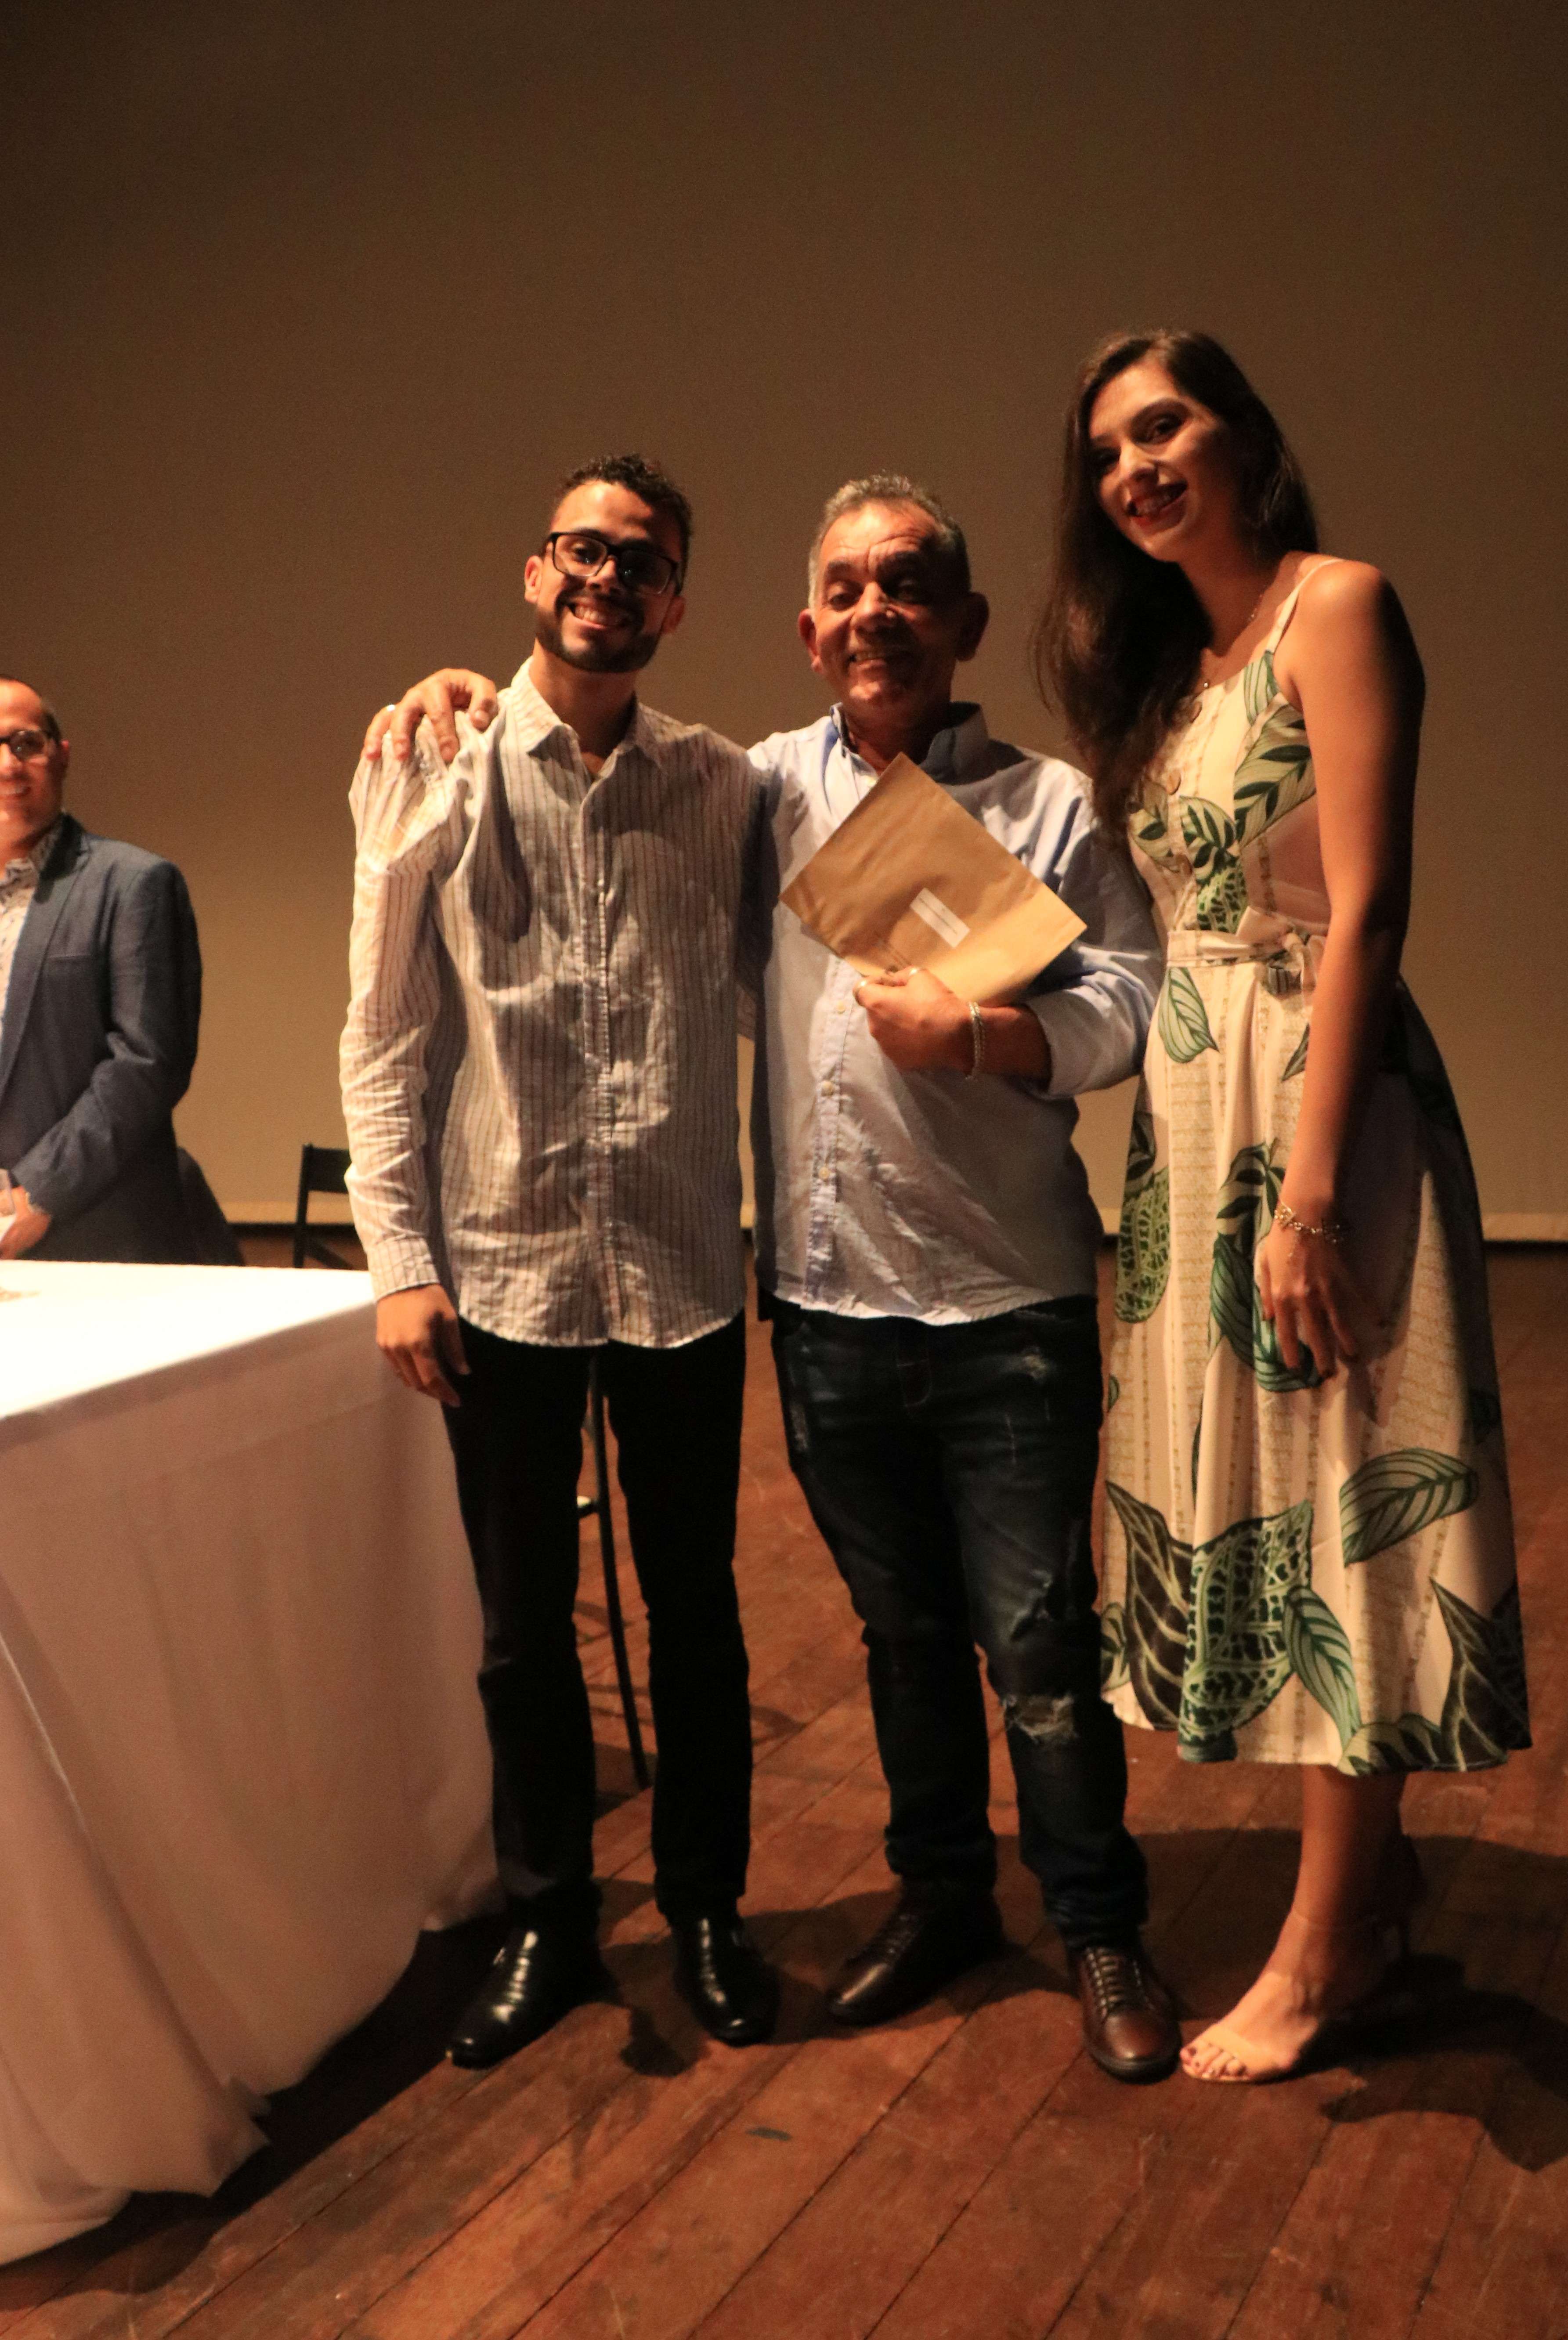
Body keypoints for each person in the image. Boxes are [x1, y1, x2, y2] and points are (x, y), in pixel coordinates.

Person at [373, 474, 1181, 2084]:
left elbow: (1135, 995)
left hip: (1004, 1293)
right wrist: (453, 684)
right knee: (898, 1635)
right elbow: (439, 966)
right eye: (847, 589)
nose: (878, 612)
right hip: (823, 1303)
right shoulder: (757, 792)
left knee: (1038, 1648)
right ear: (807, 631)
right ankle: (943, 1896)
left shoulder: (1044, 804)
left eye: (911, 584)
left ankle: (1098, 1922)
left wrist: (999, 1035)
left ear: (964, 621)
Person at [1036, 331, 1529, 2083]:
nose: (1134, 467)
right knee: (1267, 1486)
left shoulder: (1339, 603)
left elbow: (1368, 906)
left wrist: (1310, 1195)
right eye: (1107, 450)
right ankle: (1370, 1894)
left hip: (1314, 1104)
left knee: (1337, 1498)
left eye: (1162, 425)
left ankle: (1320, 1951)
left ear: (1241, 431)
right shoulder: (1180, 672)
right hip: (1193, 1114)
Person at [341, 455, 777, 2070]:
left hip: (680, 1269)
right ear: (536, 571)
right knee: (523, 1627)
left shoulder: (726, 786)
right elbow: (384, 1031)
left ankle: (710, 1908)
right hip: (502, 1271)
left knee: (697, 1614)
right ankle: (547, 1918)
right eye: (581, 548)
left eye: (641, 559)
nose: (607, 575)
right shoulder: (429, 762)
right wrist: (399, 1258)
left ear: (677, 601)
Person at [0, 676, 203, 1264]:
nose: (8, 765)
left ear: (61, 756)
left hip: (94, 1238)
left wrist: (37, 1194)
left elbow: (147, 1062)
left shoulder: (134, 883)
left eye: (25, 743)